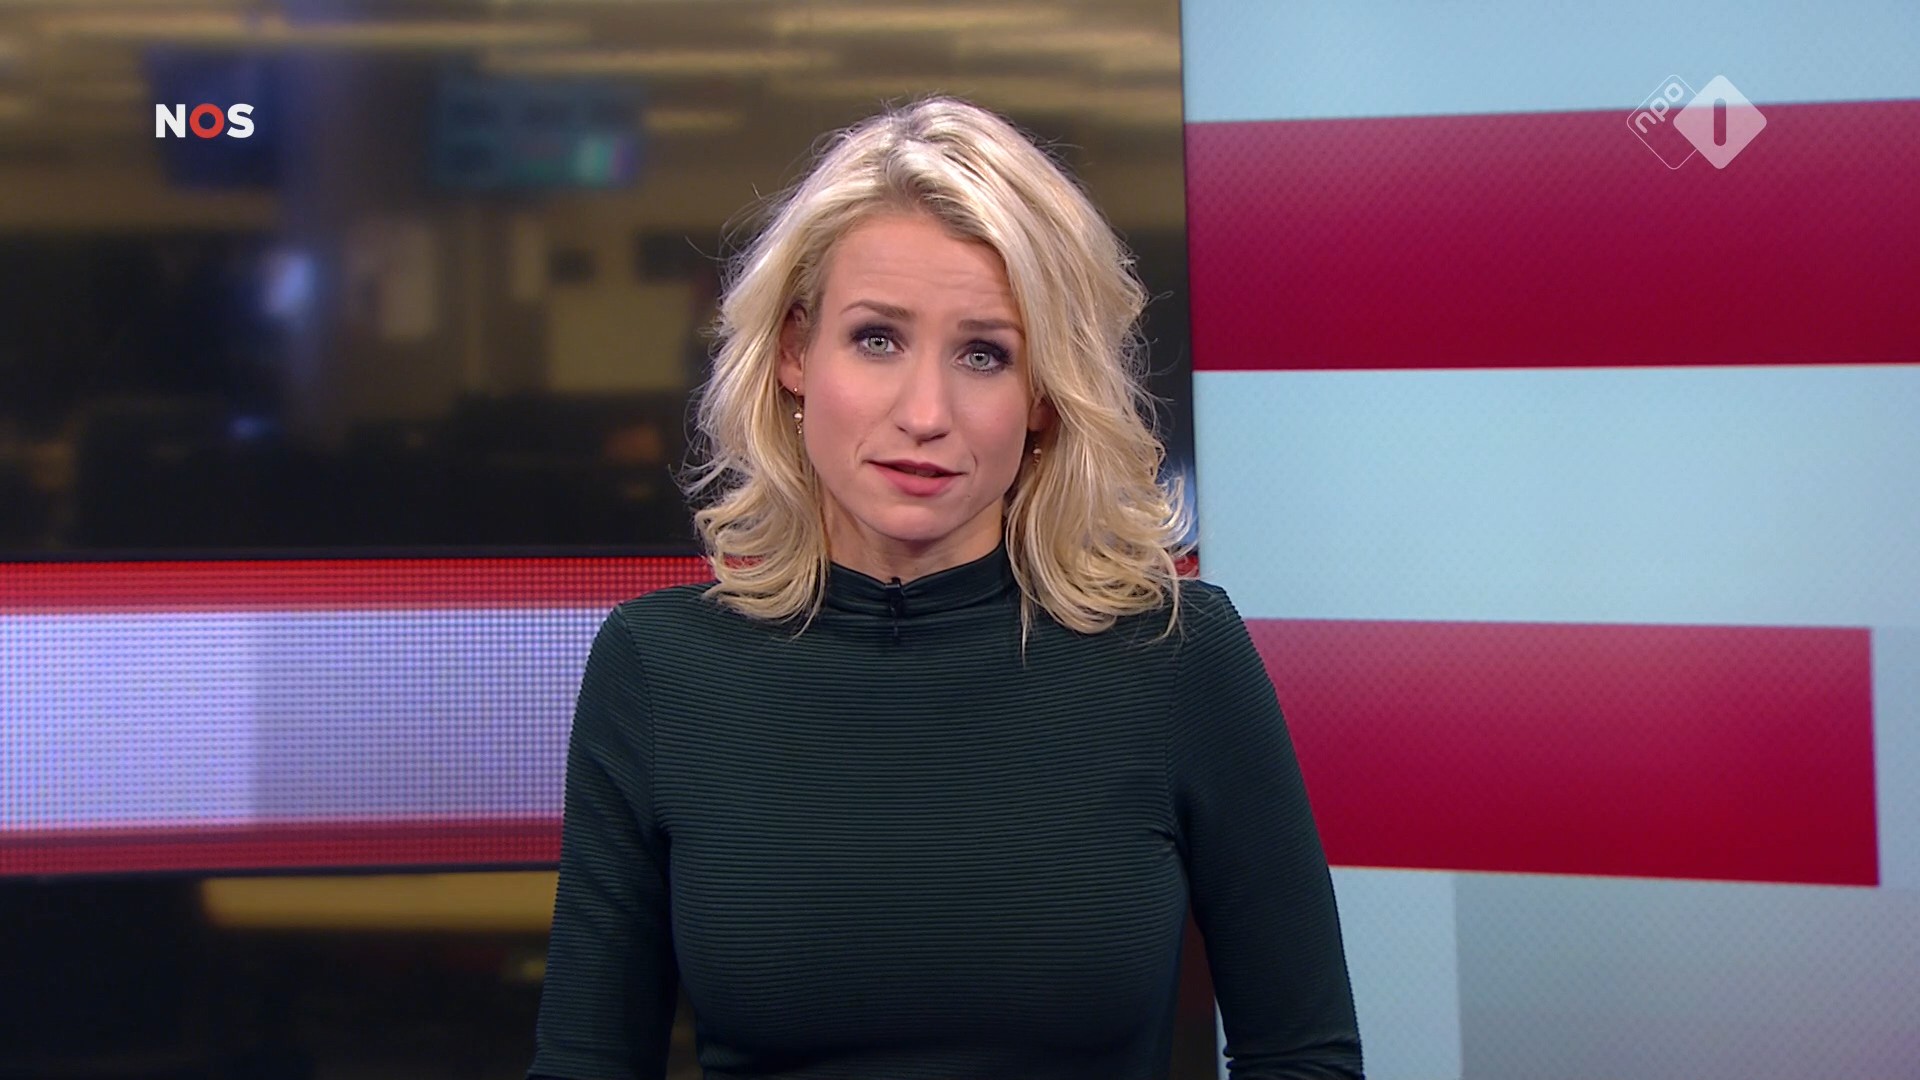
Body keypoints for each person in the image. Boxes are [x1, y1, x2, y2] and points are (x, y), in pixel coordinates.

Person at [526, 96, 1362, 1080]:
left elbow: (1304, 1057)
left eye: (983, 353)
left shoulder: (1176, 656)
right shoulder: (659, 668)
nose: (925, 412)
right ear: (795, 353)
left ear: (1044, 393)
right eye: (877, 338)